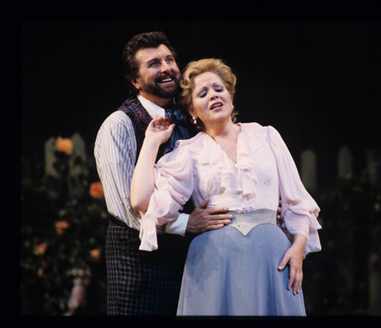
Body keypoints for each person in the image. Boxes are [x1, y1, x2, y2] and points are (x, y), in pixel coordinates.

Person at [130, 58, 322, 316]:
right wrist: (152, 143)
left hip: (272, 259)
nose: (213, 96)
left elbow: (297, 202)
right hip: (214, 260)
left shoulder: (266, 136)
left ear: (230, 96)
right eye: (203, 93)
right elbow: (141, 202)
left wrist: (298, 249)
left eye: (218, 89)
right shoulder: (189, 152)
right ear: (193, 111)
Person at [94, 32, 233, 316]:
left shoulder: (192, 119)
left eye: (169, 59)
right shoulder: (119, 124)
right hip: (141, 268)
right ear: (135, 81)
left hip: (195, 262)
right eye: (154, 63)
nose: (166, 67)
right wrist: (184, 224)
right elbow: (124, 207)